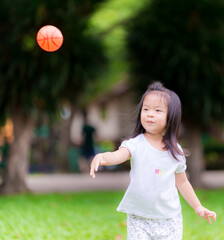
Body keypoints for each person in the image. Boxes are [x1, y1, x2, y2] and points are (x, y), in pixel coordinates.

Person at [90, 81, 216, 239]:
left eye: (157, 110)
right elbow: (117, 155)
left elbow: (182, 182)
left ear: (171, 117)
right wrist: (102, 157)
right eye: (146, 109)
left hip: (169, 220)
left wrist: (198, 207)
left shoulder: (175, 152)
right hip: (139, 219)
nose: (149, 114)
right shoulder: (135, 144)